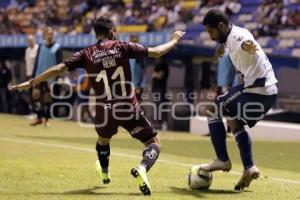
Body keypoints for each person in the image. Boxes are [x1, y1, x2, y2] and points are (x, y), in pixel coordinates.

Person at [10, 16, 185, 196]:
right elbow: (157, 52)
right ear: (111, 31)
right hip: (127, 107)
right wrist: (175, 39)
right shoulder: (122, 47)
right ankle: (142, 167)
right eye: (115, 30)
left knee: (103, 140)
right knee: (153, 143)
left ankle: (104, 171)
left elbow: (58, 68)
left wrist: (32, 81)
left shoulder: (86, 53)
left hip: (104, 111)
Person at [200, 9, 278, 191]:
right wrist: (221, 46)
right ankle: (249, 168)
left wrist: (249, 47)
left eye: (211, 32)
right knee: (234, 122)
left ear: (221, 26)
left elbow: (246, 44)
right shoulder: (233, 35)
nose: (210, 37)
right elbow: (233, 42)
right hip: (267, 91)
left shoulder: (238, 38)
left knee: (213, 109)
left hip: (257, 91)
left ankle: (222, 159)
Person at [30, 27, 62, 126]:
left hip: (50, 77)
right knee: (35, 95)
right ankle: (39, 117)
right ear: (45, 35)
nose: (50, 35)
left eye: (52, 34)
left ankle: (46, 120)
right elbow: (37, 61)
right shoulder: (41, 46)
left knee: (47, 98)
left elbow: (59, 64)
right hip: (39, 75)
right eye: (48, 33)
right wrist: (33, 75)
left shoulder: (57, 47)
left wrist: (56, 77)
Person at [152, 58, 169, 130]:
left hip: (161, 89)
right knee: (157, 107)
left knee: (161, 107)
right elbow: (153, 75)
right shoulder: (157, 66)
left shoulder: (163, 65)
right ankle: (157, 123)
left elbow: (159, 75)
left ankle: (162, 123)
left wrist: (155, 74)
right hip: (156, 89)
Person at [129, 35, 147, 102]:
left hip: (137, 85)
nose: (134, 43)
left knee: (137, 102)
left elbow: (142, 70)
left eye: (136, 41)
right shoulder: (126, 53)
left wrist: (140, 84)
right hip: (127, 84)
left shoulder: (140, 54)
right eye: (133, 41)